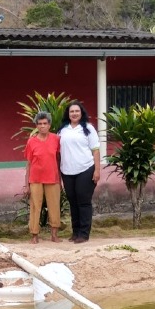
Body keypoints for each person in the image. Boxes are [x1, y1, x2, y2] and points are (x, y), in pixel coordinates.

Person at [58, 101, 100, 243]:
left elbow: (95, 150)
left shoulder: (88, 128)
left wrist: (97, 170)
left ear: (81, 113)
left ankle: (84, 233)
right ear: (68, 114)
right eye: (71, 111)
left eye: (77, 111)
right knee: (73, 202)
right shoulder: (62, 130)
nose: (74, 113)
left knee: (83, 201)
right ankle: (75, 232)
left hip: (86, 169)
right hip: (67, 171)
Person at [24, 111, 62, 244]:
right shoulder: (31, 141)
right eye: (39, 124)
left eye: (45, 123)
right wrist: (26, 184)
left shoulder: (56, 139)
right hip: (35, 179)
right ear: (36, 126)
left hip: (53, 178)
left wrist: (60, 180)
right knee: (35, 206)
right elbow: (28, 164)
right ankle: (34, 235)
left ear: (49, 125)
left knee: (54, 206)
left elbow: (58, 160)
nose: (42, 126)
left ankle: (54, 235)